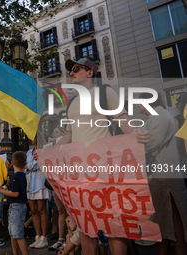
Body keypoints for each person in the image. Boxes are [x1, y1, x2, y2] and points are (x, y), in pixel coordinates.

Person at [59, 57, 151, 255]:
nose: (71, 73)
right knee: (85, 226)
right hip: (81, 174)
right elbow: (69, 134)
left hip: (104, 169)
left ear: (90, 73)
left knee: (114, 226)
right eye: (71, 70)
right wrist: (50, 151)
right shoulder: (72, 102)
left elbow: (122, 118)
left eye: (75, 69)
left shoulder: (104, 92)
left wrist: (136, 132)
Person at [139, 93, 187, 255]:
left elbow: (152, 143)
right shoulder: (157, 116)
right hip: (162, 175)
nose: (138, 106)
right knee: (165, 222)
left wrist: (131, 146)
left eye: (140, 102)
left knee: (173, 219)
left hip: (164, 176)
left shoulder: (158, 115)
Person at [0, 151, 29, 255]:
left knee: (17, 235)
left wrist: (1, 191)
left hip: (16, 207)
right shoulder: (22, 175)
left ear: (12, 163)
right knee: (13, 234)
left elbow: (15, 193)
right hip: (19, 207)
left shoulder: (15, 177)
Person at [26, 135, 50, 249]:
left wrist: (31, 164)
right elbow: (26, 166)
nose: (32, 138)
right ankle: (38, 236)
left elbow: (38, 165)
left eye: (34, 136)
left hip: (40, 183)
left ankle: (44, 237)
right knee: (34, 211)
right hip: (30, 183)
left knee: (42, 210)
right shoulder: (29, 152)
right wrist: (32, 163)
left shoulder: (44, 150)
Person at [48, 126, 67, 251]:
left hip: (65, 179)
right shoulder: (50, 147)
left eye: (56, 132)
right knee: (60, 210)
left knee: (69, 210)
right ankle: (60, 239)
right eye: (53, 132)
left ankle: (70, 238)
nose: (54, 134)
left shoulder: (65, 145)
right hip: (54, 180)